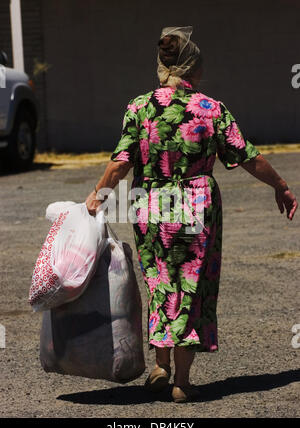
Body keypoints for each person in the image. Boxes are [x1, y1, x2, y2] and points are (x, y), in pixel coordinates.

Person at [85, 26, 298, 403]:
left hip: (150, 204)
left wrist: (97, 196)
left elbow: (120, 163)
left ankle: (160, 365)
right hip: (195, 204)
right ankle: (182, 380)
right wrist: (280, 185)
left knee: (159, 280)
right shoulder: (211, 108)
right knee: (190, 286)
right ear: (191, 69)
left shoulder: (139, 107)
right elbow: (247, 155)